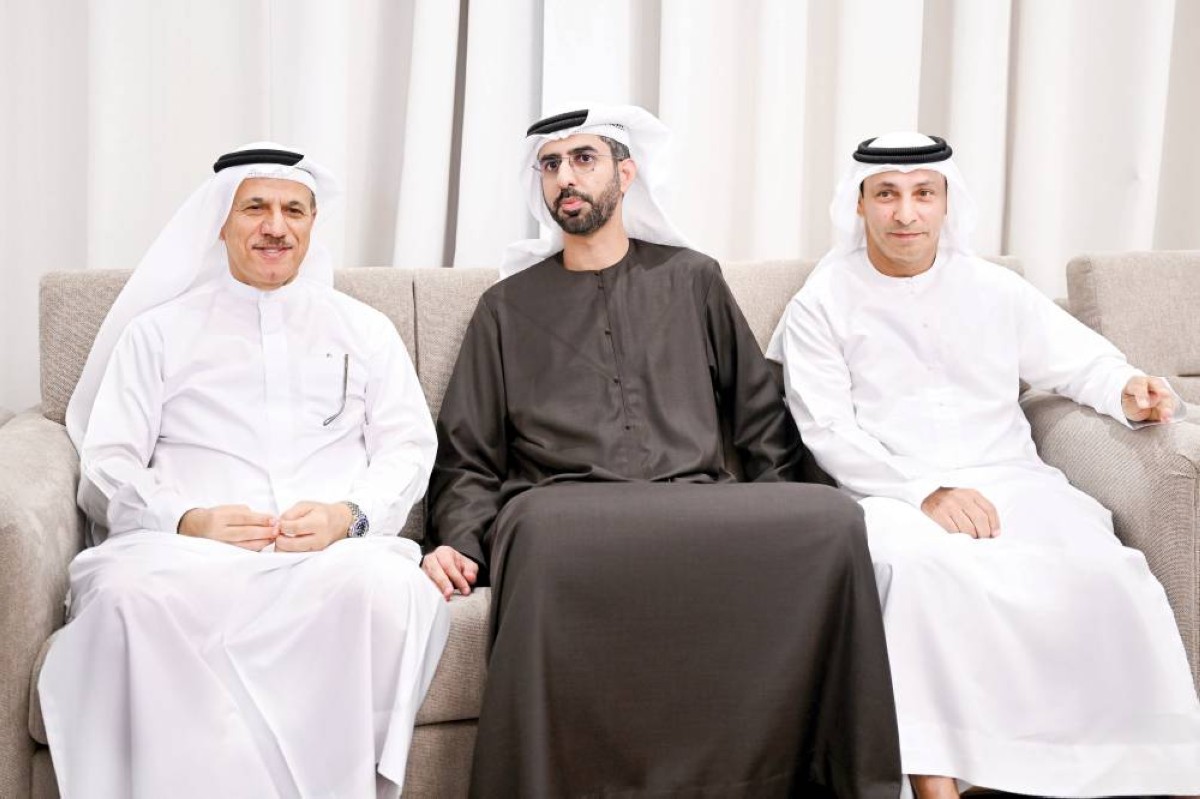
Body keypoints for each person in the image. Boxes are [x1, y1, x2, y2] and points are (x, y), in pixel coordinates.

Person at [425, 105, 901, 799]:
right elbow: (468, 452)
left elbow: (760, 416)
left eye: (583, 159)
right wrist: (460, 540)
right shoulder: (505, 307)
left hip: (695, 504)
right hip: (567, 514)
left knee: (833, 521)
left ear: (626, 174)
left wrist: (779, 504)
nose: (565, 177)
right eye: (551, 165)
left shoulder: (693, 278)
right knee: (539, 530)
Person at [768, 131, 1200, 799]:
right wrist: (925, 492)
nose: (905, 213)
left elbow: (1080, 361)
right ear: (859, 203)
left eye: (923, 194)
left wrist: (1126, 390)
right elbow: (826, 430)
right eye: (886, 194)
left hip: (1012, 478)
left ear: (947, 202)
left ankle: (1156, 770)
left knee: (1108, 569)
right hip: (889, 491)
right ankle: (938, 784)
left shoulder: (995, 289)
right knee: (916, 570)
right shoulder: (821, 303)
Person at [40, 143, 449, 799]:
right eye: (255, 207)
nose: (275, 226)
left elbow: (408, 446)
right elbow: (109, 461)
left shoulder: (365, 330)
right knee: (124, 597)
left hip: (328, 559)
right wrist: (187, 518)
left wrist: (349, 516)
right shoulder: (158, 332)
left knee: (385, 588)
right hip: (186, 555)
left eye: (294, 210)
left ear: (312, 224)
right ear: (222, 223)